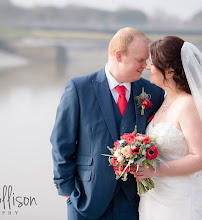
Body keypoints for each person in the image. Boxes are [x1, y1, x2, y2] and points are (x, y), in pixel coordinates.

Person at [50, 27, 165, 219]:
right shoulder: (79, 88)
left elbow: (169, 129)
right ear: (119, 55)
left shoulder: (153, 93)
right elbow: (62, 143)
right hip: (86, 198)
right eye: (140, 60)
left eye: (146, 61)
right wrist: (67, 191)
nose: (145, 66)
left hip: (134, 200)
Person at [130, 36, 202, 219]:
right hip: (157, 197)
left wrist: (156, 170)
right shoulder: (166, 99)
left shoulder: (188, 104)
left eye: (152, 63)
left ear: (169, 72)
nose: (147, 67)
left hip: (182, 201)